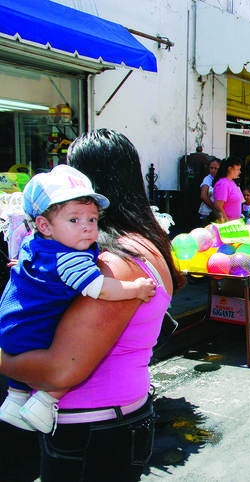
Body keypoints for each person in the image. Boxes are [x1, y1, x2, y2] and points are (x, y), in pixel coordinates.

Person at [0, 129, 184, 480]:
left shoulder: (112, 261)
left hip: (90, 428)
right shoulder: (145, 242)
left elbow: (61, 370)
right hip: (116, 419)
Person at [0, 165, 157, 434]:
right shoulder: (68, 258)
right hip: (32, 330)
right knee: (79, 353)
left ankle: (14, 401)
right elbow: (100, 288)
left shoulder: (35, 243)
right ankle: (45, 401)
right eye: (74, 220)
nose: (86, 228)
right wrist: (135, 289)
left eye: (92, 220)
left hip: (12, 324)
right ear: (45, 226)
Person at [212, 157, 244, 221]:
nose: (239, 172)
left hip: (235, 223)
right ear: (230, 169)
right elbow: (218, 206)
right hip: (227, 225)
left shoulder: (232, 183)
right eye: (238, 169)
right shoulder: (223, 184)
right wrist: (227, 222)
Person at [198, 157, 220, 224]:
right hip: (208, 214)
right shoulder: (208, 179)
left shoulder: (223, 179)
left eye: (216, 168)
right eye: (211, 168)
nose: (213, 170)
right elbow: (203, 196)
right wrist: (215, 209)